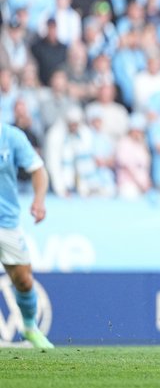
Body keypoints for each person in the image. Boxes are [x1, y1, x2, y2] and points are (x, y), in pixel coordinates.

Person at [0, 122, 53, 349]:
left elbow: (38, 170)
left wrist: (39, 200)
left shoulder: (11, 136)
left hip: (6, 221)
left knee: (23, 280)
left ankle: (30, 327)